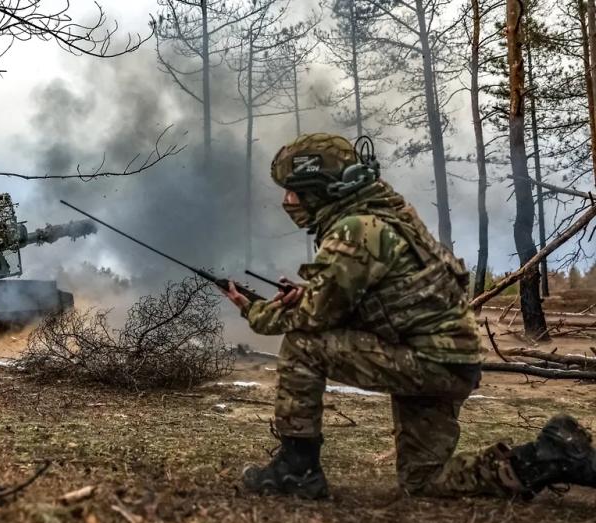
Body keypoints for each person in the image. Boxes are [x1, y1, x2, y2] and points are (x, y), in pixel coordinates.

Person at [222, 133, 596, 500]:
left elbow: (314, 319)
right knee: (424, 480)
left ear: (321, 190)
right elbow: (375, 298)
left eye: (294, 190)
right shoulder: (386, 216)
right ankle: (548, 457)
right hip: (447, 361)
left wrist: (253, 309)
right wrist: (313, 295)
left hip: (426, 361)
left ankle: (297, 470)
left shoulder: (357, 228)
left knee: (303, 346)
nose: (288, 201)